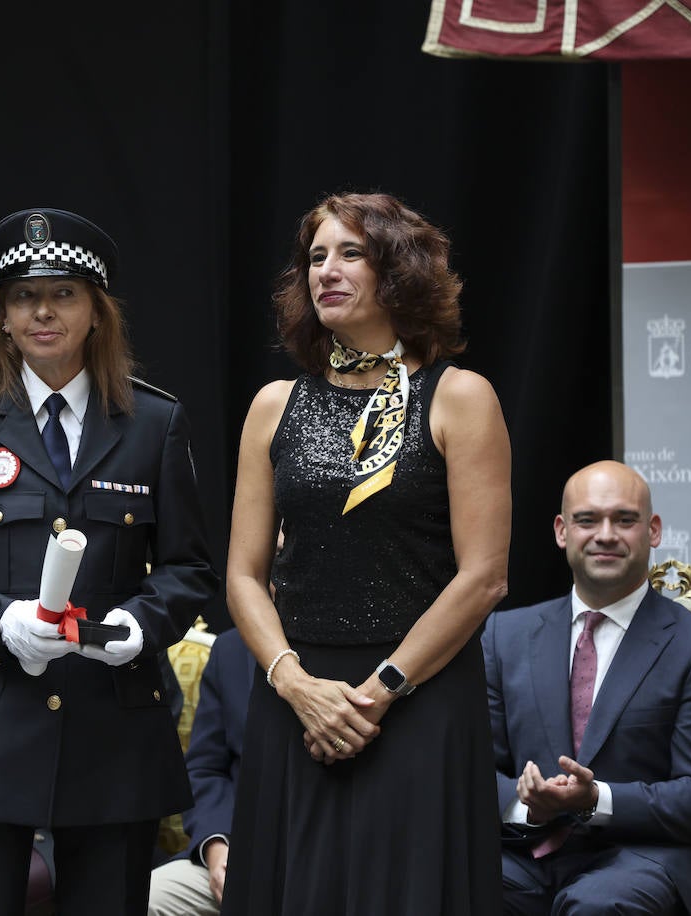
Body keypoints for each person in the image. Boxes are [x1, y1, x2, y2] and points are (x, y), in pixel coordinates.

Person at [0, 207, 218, 916]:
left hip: (113, 731)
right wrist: (0, 619)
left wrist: (140, 624)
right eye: (24, 297)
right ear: (1, 317)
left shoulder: (154, 424)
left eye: (64, 294)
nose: (43, 312)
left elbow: (190, 571)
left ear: (97, 312)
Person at [221, 191, 510, 913]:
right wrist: (295, 686)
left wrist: (376, 694)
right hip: (297, 701)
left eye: (351, 253)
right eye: (316, 257)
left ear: (400, 271)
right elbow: (243, 575)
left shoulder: (460, 397)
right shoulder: (274, 404)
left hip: (417, 697)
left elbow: (483, 579)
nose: (327, 270)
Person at [485, 460, 691, 915]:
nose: (605, 534)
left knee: (596, 906)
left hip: (641, 855)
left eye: (625, 520)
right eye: (587, 520)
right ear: (561, 531)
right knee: (441, 882)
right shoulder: (503, 636)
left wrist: (596, 799)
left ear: (654, 531)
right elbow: (472, 771)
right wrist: (531, 806)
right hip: (526, 850)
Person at [147, 628, 253, 916]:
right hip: (238, 848)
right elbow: (206, 769)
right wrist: (217, 848)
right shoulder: (232, 649)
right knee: (151, 899)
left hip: (329, 857)